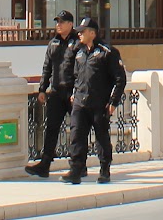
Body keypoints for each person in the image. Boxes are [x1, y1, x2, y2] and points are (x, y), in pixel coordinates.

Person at [63, 16, 127, 185]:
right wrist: (73, 93)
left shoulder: (107, 52)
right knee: (76, 136)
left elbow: (120, 79)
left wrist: (113, 102)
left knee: (101, 137)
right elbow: (75, 76)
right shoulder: (80, 52)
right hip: (80, 102)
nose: (79, 35)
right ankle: (75, 170)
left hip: (99, 103)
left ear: (92, 33)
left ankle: (104, 169)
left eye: (82, 32)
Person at [25, 10, 78, 178]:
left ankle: (78, 165)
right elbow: (47, 67)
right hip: (56, 92)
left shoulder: (77, 43)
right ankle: (44, 165)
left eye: (62, 22)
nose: (58, 25)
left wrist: (77, 91)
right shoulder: (53, 43)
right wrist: (42, 89)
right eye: (57, 22)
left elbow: (82, 70)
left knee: (78, 130)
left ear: (70, 24)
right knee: (51, 129)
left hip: (72, 93)